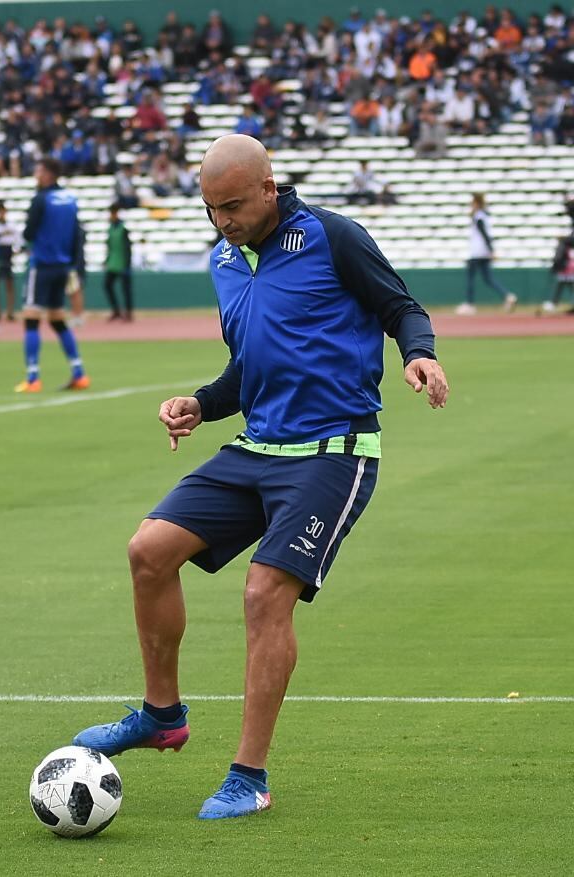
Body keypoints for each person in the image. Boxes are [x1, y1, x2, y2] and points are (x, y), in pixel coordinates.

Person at [71, 134, 449, 820]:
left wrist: (418, 355)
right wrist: (202, 403)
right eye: (212, 209)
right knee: (148, 551)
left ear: (270, 188)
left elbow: (402, 308)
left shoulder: (333, 236)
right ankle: (162, 714)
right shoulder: (223, 258)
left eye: (235, 206)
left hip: (333, 451)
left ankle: (249, 775)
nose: (223, 221)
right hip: (258, 447)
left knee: (263, 592)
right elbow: (252, 368)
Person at [17, 156, 89, 393]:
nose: (36, 175)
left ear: (48, 174)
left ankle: (32, 377)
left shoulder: (41, 199)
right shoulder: (70, 199)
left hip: (43, 265)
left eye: (38, 171)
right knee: (58, 320)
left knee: (31, 319)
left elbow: (28, 231)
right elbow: (78, 234)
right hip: (63, 267)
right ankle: (79, 373)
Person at [457, 193, 517, 315]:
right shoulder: (484, 215)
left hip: (477, 252)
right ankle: (507, 296)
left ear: (476, 203)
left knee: (470, 278)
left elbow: (484, 234)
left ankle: (469, 304)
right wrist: (490, 250)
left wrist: (491, 250)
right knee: (488, 279)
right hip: (484, 252)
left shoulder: (478, 217)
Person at [104, 203, 134, 320]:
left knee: (126, 289)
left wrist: (127, 264)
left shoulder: (124, 228)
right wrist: (106, 260)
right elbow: (109, 246)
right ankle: (116, 310)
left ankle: (128, 312)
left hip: (123, 263)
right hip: (113, 263)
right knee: (107, 285)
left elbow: (128, 248)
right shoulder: (110, 228)